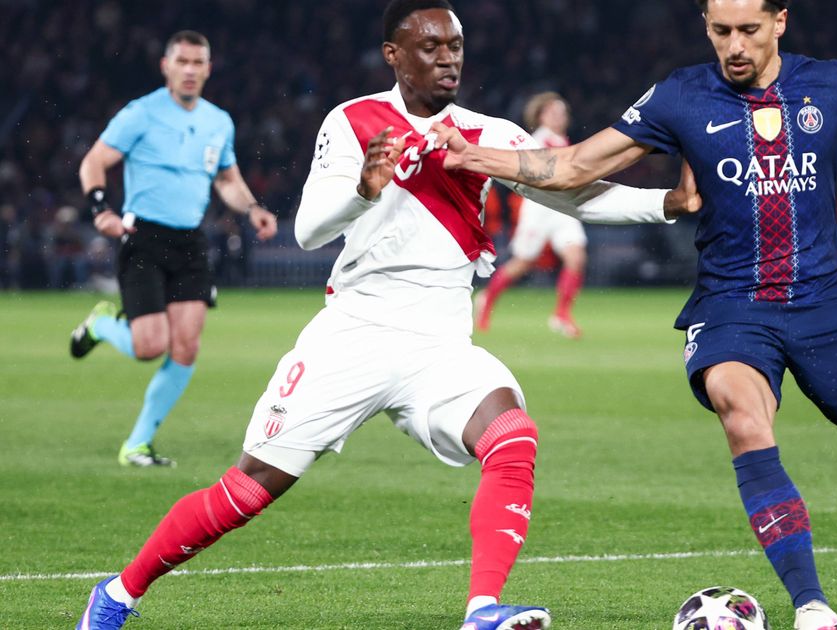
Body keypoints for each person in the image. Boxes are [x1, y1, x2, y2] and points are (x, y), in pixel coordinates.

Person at [430, 0, 837, 627]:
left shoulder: (834, 86)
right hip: (731, 304)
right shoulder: (679, 96)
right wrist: (472, 156)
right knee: (744, 416)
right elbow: (573, 165)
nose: (734, 46)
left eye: (748, 29)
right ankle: (811, 607)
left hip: (827, 298)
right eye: (721, 31)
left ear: (780, 21)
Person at [75, 2, 698, 629]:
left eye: (455, 45)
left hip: (440, 345)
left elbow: (575, 195)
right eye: (431, 47)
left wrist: (667, 202)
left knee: (513, 435)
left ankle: (482, 610)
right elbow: (308, 230)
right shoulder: (353, 121)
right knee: (248, 489)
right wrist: (363, 190)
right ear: (393, 56)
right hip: (355, 335)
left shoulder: (487, 134)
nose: (448, 58)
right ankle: (118, 593)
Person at [69, 30, 278, 467]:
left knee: (185, 348)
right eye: (181, 61)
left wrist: (252, 208)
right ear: (166, 66)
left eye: (197, 63)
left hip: (190, 243)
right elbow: (94, 161)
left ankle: (137, 445)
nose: (189, 70)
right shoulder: (140, 113)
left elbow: (227, 179)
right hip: (144, 237)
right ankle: (102, 324)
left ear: (208, 69)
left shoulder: (218, 121)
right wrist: (100, 209)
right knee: (149, 347)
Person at [475, 92, 589, 338]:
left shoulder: (562, 141)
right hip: (539, 209)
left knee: (576, 257)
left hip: (562, 209)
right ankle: (487, 299)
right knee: (523, 262)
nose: (559, 117)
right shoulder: (537, 141)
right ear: (541, 116)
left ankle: (561, 314)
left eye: (562, 112)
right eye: (553, 112)